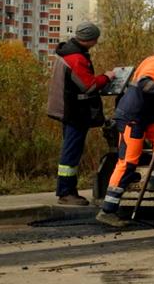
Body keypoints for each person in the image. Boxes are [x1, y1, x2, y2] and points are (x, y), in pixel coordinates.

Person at [96, 33, 154, 227]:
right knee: (128, 163)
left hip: (147, 118)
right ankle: (107, 210)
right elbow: (144, 84)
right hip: (133, 119)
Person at [47, 21, 115, 206]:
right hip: (75, 112)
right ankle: (66, 192)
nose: (96, 42)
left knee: (71, 151)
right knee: (71, 152)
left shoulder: (68, 52)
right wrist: (107, 77)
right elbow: (89, 85)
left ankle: (68, 190)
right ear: (90, 39)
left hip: (69, 110)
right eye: (95, 39)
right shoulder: (76, 58)